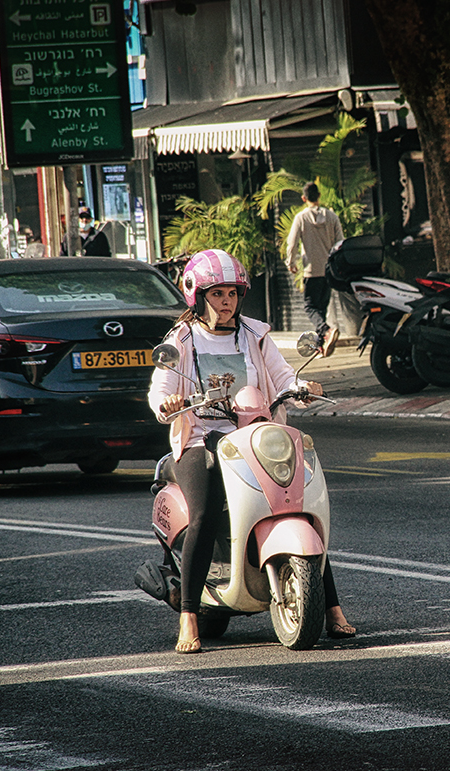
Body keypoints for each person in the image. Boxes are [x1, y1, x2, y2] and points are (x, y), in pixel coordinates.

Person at [147, 248, 357, 653]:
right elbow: (160, 390)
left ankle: (331, 607)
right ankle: (189, 615)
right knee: (205, 511)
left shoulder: (256, 334)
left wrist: (301, 389)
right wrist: (167, 405)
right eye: (216, 294)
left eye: (232, 294)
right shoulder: (182, 340)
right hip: (201, 439)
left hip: (256, 436)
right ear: (196, 295)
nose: (226, 303)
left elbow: (281, 378)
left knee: (297, 506)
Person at [285, 182, 344, 356]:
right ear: (319, 196)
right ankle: (321, 346)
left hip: (311, 271)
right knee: (321, 308)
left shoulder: (301, 218)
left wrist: (291, 262)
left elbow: (292, 242)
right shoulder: (332, 217)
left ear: (304, 198)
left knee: (310, 307)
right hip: (328, 271)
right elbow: (340, 242)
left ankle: (325, 331)